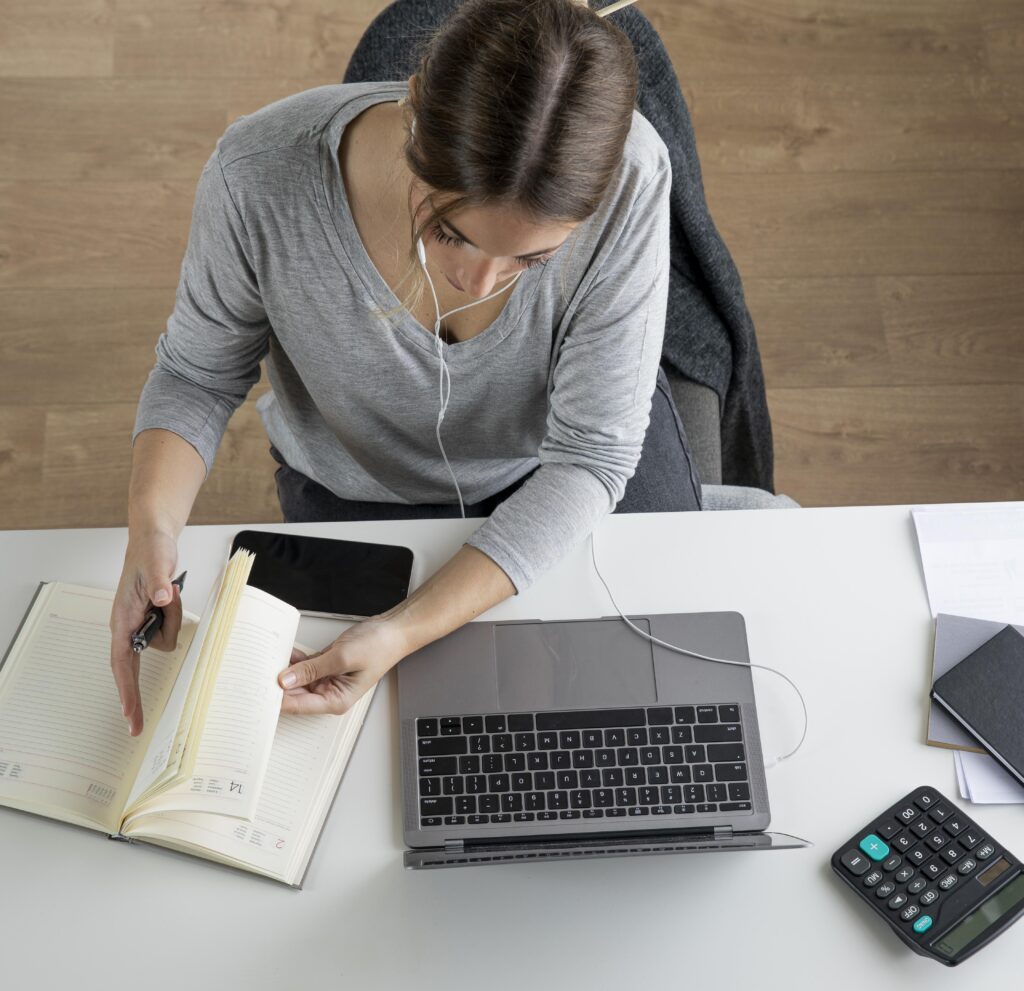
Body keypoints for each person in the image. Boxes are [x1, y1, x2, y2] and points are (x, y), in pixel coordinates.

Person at [109, 0, 702, 737]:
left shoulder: (633, 177)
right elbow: (197, 375)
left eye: (533, 259)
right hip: (356, 486)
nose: (480, 284)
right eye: (450, 232)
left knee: (648, 712)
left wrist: (403, 631)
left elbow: (589, 457)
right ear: (415, 112)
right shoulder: (258, 175)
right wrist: (152, 528)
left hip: (552, 469)